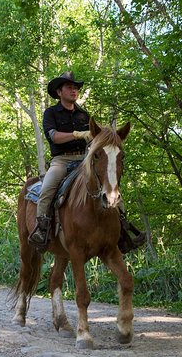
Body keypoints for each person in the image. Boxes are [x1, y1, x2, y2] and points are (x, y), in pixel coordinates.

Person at [28, 71, 145, 252]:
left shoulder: (84, 115)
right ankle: (41, 230)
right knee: (47, 188)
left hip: (85, 160)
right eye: (69, 87)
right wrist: (76, 134)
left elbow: (96, 141)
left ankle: (123, 231)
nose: (74, 91)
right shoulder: (50, 113)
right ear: (59, 92)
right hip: (61, 160)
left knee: (112, 189)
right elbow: (54, 137)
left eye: (76, 88)